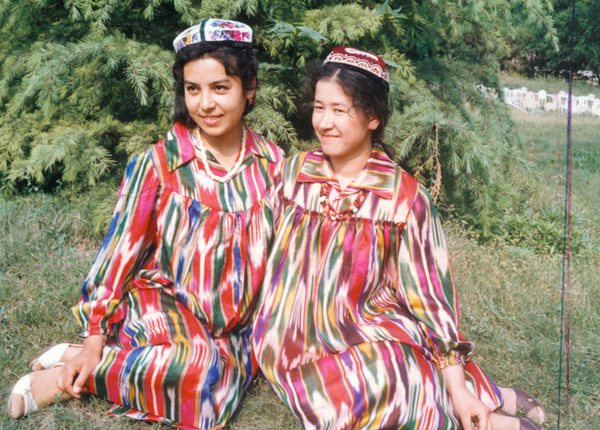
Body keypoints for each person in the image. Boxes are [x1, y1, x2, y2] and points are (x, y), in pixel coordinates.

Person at [8, 18, 284, 429]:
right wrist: (93, 337)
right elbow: (117, 254)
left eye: (220, 87)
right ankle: (79, 371)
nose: (206, 104)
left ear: (250, 87)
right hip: (163, 300)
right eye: (193, 89)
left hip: (233, 324)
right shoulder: (158, 164)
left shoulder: (274, 166)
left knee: (219, 392)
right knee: (195, 369)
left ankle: (89, 359)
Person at [252, 46, 546, 430]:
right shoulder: (292, 175)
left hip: (366, 322)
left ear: (373, 117)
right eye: (319, 107)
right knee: (387, 375)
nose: (323, 122)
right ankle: (485, 407)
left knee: (408, 346)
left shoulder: (405, 198)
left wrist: (456, 384)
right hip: (296, 335)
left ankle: (471, 398)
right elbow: (253, 250)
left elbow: (431, 300)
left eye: (339, 110)